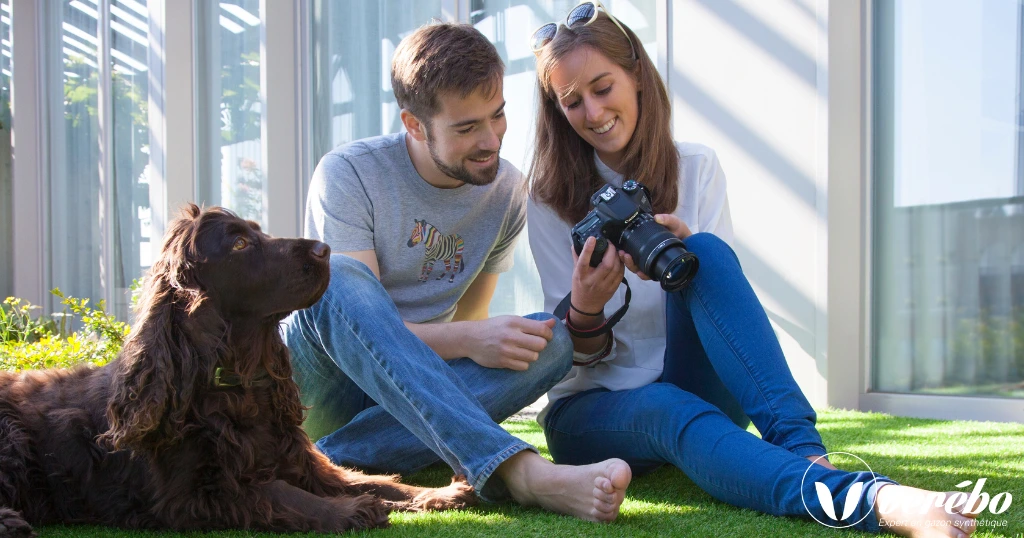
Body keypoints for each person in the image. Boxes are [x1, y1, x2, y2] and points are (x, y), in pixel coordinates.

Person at [526, 3, 978, 536]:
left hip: (690, 383)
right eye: (572, 102)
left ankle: (806, 453)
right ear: (558, 112)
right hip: (591, 413)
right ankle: (869, 502)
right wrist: (587, 305)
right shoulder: (550, 199)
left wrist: (685, 255)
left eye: (603, 87)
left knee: (710, 252)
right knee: (667, 408)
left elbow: (720, 303)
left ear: (638, 77)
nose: (593, 112)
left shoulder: (696, 166)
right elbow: (568, 364)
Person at [281, 22, 631, 522]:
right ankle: (520, 472)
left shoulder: (507, 191)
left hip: (409, 394)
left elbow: (471, 322)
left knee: (551, 340)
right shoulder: (349, 172)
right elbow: (356, 326)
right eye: (466, 128)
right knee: (337, 277)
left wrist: (475, 338)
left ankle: (314, 463)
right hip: (325, 378)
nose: (491, 140)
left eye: (499, 115)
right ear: (415, 124)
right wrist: (469, 339)